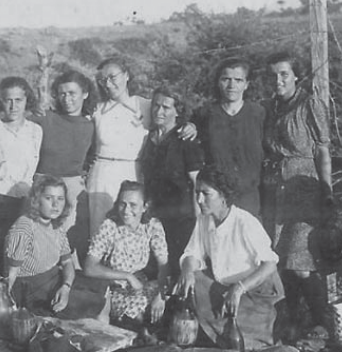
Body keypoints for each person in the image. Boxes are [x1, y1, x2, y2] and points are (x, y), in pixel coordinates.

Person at [262, 50, 333, 337]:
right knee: (283, 261)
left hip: (304, 189)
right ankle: (293, 323)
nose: (278, 80)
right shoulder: (270, 107)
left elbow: (322, 151)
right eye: (273, 75)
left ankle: (323, 323)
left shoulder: (309, 104)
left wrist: (326, 192)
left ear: (296, 76)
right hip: (276, 189)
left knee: (301, 262)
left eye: (284, 74)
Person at [176, 166, 284, 350]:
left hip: (254, 291)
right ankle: (222, 333)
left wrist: (239, 288)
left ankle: (251, 336)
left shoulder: (245, 222)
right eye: (197, 193)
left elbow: (270, 264)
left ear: (223, 196)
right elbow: (193, 253)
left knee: (244, 335)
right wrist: (187, 271)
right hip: (225, 289)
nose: (199, 200)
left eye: (206, 194)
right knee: (194, 280)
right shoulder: (204, 219)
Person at [87, 56, 197, 236]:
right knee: (100, 230)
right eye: (103, 79)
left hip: (133, 173)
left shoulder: (145, 105)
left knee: (131, 229)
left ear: (126, 75)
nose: (108, 84)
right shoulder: (96, 109)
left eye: (113, 77)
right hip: (102, 176)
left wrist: (190, 126)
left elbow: (172, 115)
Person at [5, 175, 108, 320]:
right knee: (96, 303)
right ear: (37, 200)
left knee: (103, 287)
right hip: (32, 291)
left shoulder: (56, 225)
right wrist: (7, 307)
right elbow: (10, 274)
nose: (55, 205)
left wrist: (66, 287)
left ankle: (105, 330)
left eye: (60, 199)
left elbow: (67, 262)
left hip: (55, 280)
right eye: (49, 198)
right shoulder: (24, 227)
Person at [31, 70, 98, 262]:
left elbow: (92, 156)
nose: (67, 99)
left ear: (85, 93)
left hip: (73, 186)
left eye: (72, 93)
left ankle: (69, 272)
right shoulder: (46, 118)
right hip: (43, 182)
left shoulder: (91, 126)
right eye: (62, 94)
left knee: (71, 235)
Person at [84, 181, 170, 327]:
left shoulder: (152, 225)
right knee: (137, 315)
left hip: (140, 285)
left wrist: (161, 295)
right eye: (122, 204)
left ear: (145, 207)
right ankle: (138, 332)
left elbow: (164, 265)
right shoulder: (109, 226)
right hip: (113, 288)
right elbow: (89, 267)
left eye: (133, 205)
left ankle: (146, 332)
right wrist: (127, 276)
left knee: (167, 294)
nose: (126, 210)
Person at [140, 85, 203, 280]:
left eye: (166, 107)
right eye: (156, 105)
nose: (159, 111)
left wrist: (198, 221)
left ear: (178, 111)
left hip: (181, 215)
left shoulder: (185, 139)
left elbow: (196, 182)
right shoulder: (150, 138)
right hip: (155, 214)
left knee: (177, 266)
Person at [192, 57, 264, 217]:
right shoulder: (205, 114)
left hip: (250, 198)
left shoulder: (259, 113)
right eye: (226, 79)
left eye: (238, 80)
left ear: (246, 84)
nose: (232, 85)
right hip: (216, 198)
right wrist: (190, 126)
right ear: (218, 82)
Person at [0, 77, 43, 276]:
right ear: (0, 101)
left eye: (18, 100)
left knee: (21, 246)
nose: (13, 106)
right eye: (8, 100)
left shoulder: (35, 130)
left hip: (25, 198)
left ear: (27, 100)